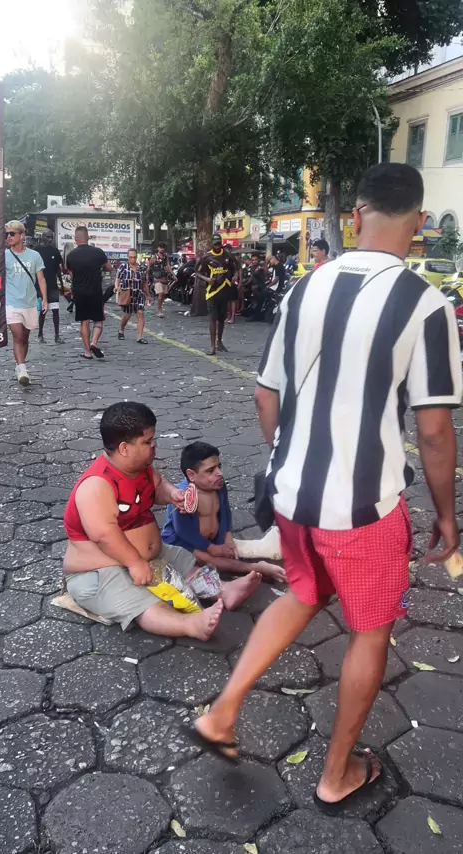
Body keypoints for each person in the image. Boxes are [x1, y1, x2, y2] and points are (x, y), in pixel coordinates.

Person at [193, 163, 462, 810]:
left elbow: (265, 395)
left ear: (356, 214)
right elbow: (432, 432)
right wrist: (447, 515)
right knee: (370, 632)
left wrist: (286, 459)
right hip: (364, 509)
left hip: (292, 496)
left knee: (304, 592)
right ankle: (337, 775)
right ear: (418, 222)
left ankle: (222, 713)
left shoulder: (304, 288)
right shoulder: (425, 303)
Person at [62, 402, 263, 639]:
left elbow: (157, 486)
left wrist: (173, 495)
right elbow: (104, 534)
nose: (154, 445)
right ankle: (189, 624)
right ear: (124, 448)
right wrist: (134, 562)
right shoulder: (96, 485)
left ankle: (224, 590)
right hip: (99, 572)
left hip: (145, 556)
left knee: (184, 564)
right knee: (139, 601)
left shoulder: (140, 469)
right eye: (147, 441)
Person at [162, 442, 286, 583]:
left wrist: (227, 536)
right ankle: (255, 568)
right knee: (210, 561)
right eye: (210, 470)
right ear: (191, 475)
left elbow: (225, 512)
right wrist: (211, 548)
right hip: (185, 543)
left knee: (229, 552)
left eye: (219, 467)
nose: (219, 473)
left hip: (212, 540)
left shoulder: (218, 486)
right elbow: (183, 531)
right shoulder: (183, 496)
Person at [5, 221, 48, 386]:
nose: (8, 237)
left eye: (12, 233)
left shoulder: (34, 256)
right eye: (7, 234)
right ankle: (22, 369)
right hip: (11, 302)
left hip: (30, 302)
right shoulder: (4, 255)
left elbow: (41, 279)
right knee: (17, 336)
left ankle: (19, 365)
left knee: (25, 337)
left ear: (21, 235)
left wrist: (45, 299)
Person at [65, 226, 112, 360]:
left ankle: (87, 352)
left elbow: (71, 276)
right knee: (98, 321)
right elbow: (109, 267)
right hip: (95, 291)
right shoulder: (98, 252)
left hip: (79, 292)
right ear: (88, 237)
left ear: (75, 239)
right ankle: (94, 342)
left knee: (84, 322)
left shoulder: (71, 255)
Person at [197, 234, 235, 355]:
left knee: (221, 319)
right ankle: (212, 346)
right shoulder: (206, 257)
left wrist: (233, 279)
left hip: (224, 290)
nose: (217, 246)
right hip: (212, 292)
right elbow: (197, 272)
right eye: (215, 244)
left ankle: (219, 342)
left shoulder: (227, 255)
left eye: (219, 244)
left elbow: (235, 269)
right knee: (213, 318)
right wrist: (207, 279)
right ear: (212, 244)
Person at [34, 228, 64, 344]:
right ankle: (40, 334)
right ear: (43, 237)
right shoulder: (36, 250)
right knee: (43, 311)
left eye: (52, 237)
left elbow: (58, 269)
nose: (50, 239)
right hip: (40, 287)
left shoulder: (54, 251)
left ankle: (57, 336)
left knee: (55, 311)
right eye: (48, 237)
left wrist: (61, 284)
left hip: (52, 286)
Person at [115, 248, 151, 343]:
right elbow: (118, 279)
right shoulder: (123, 266)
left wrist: (148, 295)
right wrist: (116, 287)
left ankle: (139, 337)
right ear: (127, 257)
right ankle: (121, 329)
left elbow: (145, 282)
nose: (133, 259)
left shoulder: (142, 268)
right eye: (130, 257)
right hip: (128, 293)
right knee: (128, 314)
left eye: (134, 257)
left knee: (140, 313)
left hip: (139, 293)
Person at [148, 242, 172, 318]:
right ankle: (158, 310)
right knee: (160, 294)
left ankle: (160, 307)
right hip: (156, 279)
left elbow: (168, 267)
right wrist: (148, 278)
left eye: (163, 247)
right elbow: (149, 268)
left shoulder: (165, 257)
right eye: (161, 247)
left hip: (164, 278)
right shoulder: (154, 257)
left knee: (163, 295)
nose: (162, 249)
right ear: (158, 248)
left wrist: (173, 276)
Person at [227, 252, 242, 324]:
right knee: (229, 300)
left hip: (233, 283)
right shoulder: (229, 264)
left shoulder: (236, 266)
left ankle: (232, 316)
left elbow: (238, 275)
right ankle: (230, 315)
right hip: (228, 282)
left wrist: (239, 283)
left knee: (232, 300)